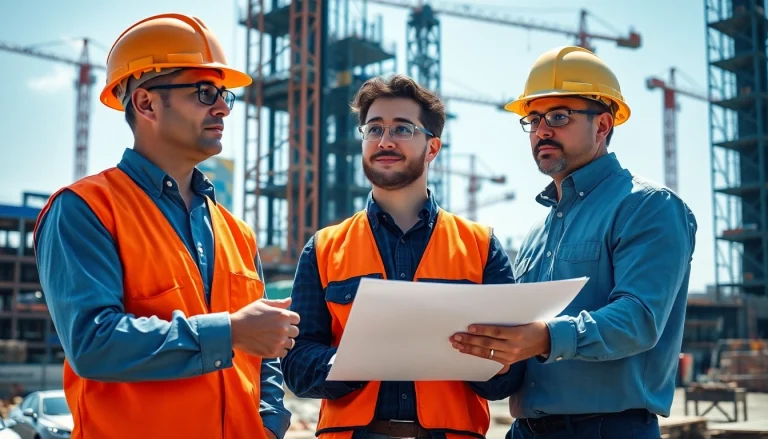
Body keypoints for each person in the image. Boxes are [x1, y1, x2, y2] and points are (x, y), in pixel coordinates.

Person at [33, 13, 298, 439]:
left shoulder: (236, 232)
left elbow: (262, 353)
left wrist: (270, 424)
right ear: (146, 103)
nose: (222, 107)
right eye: (204, 91)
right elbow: (92, 342)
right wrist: (228, 332)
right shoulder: (85, 209)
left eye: (225, 94)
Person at [450, 46, 698, 438]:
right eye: (533, 119)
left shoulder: (647, 206)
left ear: (602, 125)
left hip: (609, 430)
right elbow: (518, 340)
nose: (542, 130)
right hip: (525, 429)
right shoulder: (536, 233)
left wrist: (546, 337)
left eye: (559, 116)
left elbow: (639, 319)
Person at [281, 73, 525, 439]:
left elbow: (508, 379)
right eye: (374, 129)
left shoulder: (481, 246)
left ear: (432, 148)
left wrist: (498, 361)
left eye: (402, 129)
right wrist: (354, 361)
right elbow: (297, 366)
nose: (385, 141)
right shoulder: (323, 248)